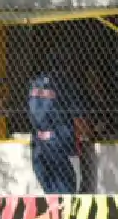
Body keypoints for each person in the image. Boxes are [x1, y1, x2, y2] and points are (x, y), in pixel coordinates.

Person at [27, 50, 90, 195]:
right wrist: (89, 133)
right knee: (67, 190)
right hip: (60, 144)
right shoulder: (66, 85)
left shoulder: (34, 84)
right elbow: (78, 118)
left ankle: (56, 215)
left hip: (39, 145)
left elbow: (31, 112)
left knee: (50, 192)